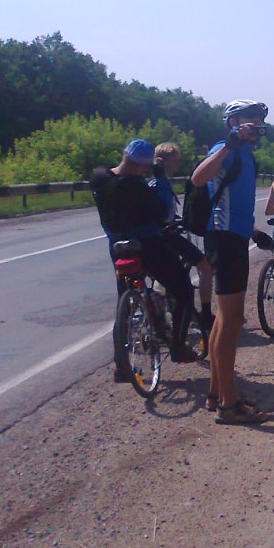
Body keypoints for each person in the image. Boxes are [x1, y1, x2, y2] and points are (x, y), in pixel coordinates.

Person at [90, 139, 199, 381]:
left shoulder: (99, 178)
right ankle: (178, 346)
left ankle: (122, 366)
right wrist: (160, 179)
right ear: (142, 166)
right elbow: (163, 212)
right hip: (148, 246)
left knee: (125, 302)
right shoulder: (137, 187)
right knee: (182, 289)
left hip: (118, 247)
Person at [191, 99, 270, 424]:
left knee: (225, 320)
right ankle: (229, 404)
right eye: (250, 118)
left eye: (259, 119)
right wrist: (230, 144)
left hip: (234, 237)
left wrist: (254, 232)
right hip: (223, 240)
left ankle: (216, 393)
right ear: (233, 122)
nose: (257, 123)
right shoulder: (225, 148)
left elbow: (233, 203)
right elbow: (198, 178)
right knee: (232, 320)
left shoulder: (246, 154)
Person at [149, 141, 215, 330]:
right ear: (164, 161)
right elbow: (163, 214)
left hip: (152, 236)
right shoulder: (161, 184)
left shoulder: (153, 182)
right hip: (165, 236)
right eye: (175, 160)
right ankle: (204, 314)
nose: (178, 164)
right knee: (205, 267)